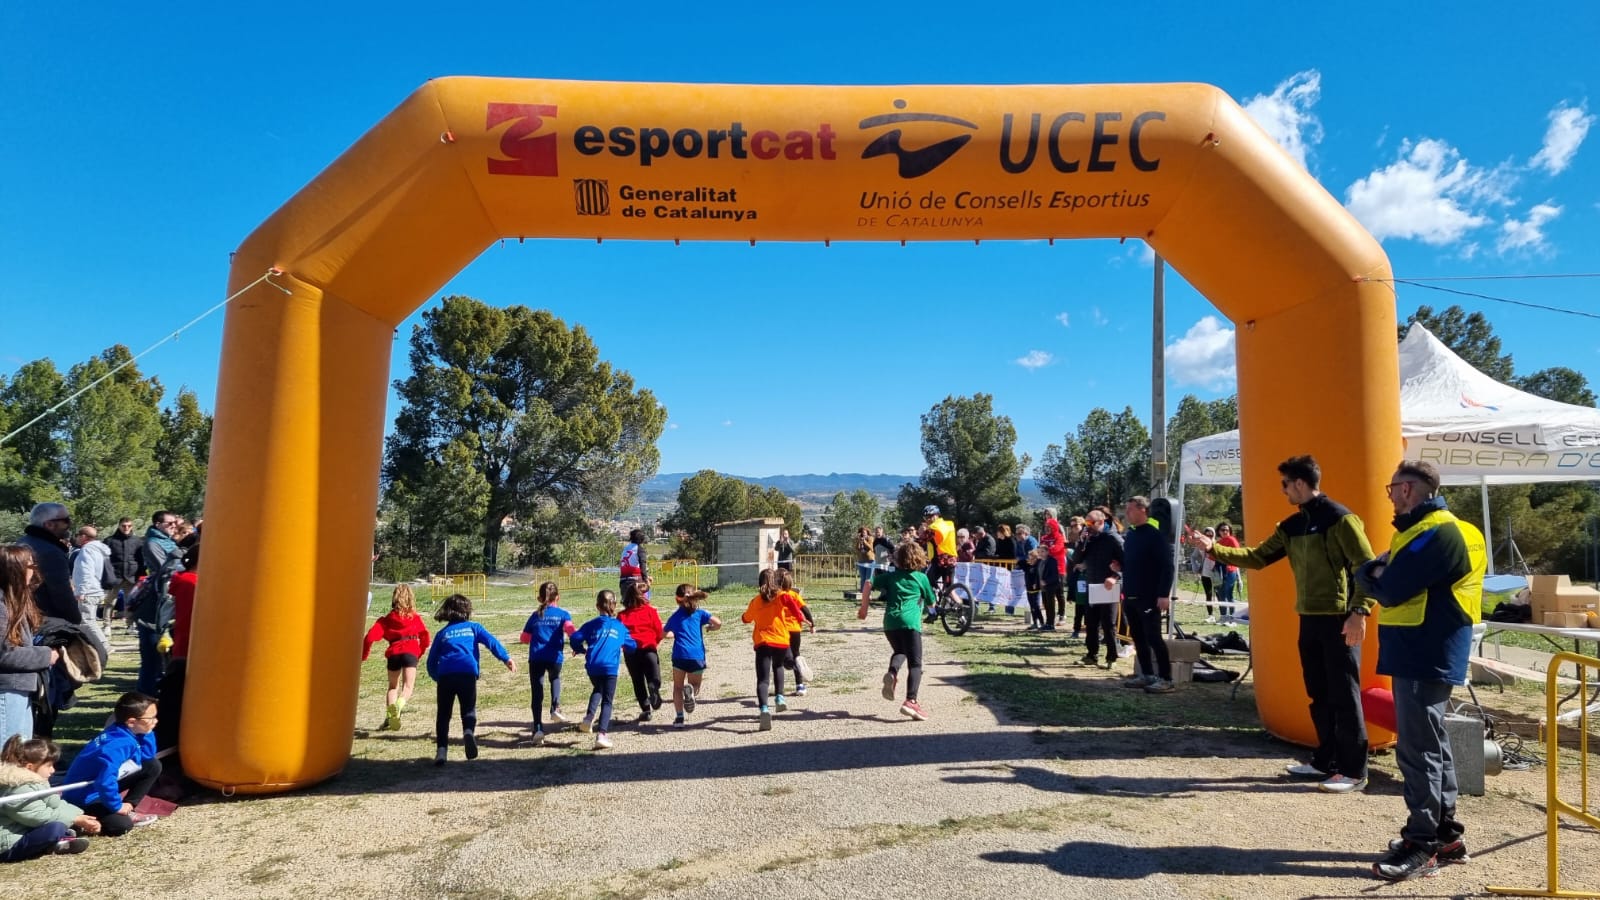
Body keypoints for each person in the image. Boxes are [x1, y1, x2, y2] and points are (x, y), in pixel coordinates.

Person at [1192, 454, 1376, 794]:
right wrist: (1213, 549)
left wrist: (1359, 612)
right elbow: (1257, 557)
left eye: (1285, 485)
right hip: (1308, 618)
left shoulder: (1341, 519)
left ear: (1301, 484)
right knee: (1318, 693)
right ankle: (1326, 761)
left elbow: (1367, 568)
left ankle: (1354, 770)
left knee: (1344, 696)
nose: (1283, 491)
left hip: (1339, 619)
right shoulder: (1292, 526)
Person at [1355, 460, 1484, 881]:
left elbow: (1386, 587)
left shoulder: (1437, 532)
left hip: (1424, 647)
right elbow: (1384, 576)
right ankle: (1445, 834)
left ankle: (1422, 842)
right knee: (1433, 741)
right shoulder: (1432, 530)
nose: (1390, 496)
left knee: (1418, 748)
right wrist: (1376, 572)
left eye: (1392, 489)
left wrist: (1370, 573)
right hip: (1424, 646)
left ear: (1409, 490)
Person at [425, 594, 514, 765]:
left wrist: (438, 677)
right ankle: (468, 731)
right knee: (468, 710)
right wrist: (505, 658)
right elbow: (491, 642)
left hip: (445, 676)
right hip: (467, 673)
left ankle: (441, 751)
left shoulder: (442, 633)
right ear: (467, 611)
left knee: (443, 714)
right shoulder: (474, 627)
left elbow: (431, 662)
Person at [61, 692, 162, 835]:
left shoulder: (123, 731)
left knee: (152, 765)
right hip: (84, 796)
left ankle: (129, 806)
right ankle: (80, 819)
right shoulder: (118, 744)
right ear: (132, 722)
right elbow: (104, 781)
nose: (155, 721)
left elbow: (146, 756)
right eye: (151, 718)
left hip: (98, 785)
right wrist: (117, 807)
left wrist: (148, 731)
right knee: (121, 825)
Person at [858, 540, 934, 721]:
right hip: (910, 624)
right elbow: (931, 602)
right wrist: (930, 606)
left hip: (890, 623)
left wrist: (864, 609)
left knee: (900, 651)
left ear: (898, 559)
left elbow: (868, 583)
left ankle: (892, 673)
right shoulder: (921, 578)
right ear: (918, 558)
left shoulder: (891, 576)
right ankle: (911, 701)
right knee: (915, 664)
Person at [0, 735, 97, 861]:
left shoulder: (37, 781)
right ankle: (55, 842)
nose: (53, 770)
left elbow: (55, 803)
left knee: (62, 825)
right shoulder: (16, 788)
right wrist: (75, 819)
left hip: (26, 829)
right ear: (30, 767)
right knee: (55, 829)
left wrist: (80, 815)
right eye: (49, 765)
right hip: (9, 844)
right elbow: (39, 816)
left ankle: (59, 842)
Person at [1119, 497, 1177, 694]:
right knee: (1138, 637)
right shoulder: (1132, 535)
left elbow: (1167, 567)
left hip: (1150, 596)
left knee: (1154, 637)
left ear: (1143, 510)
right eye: (1126, 510)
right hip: (1131, 595)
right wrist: (1119, 567)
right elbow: (1132, 562)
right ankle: (1147, 674)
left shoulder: (1156, 535)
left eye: (1130, 509)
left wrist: (1163, 594)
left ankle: (1166, 678)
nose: (1127, 514)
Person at [0, 546, 57, 743]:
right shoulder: (2, 607)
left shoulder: (13, 602)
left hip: (18, 688)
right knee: (8, 757)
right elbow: (4, 654)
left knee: (18, 752)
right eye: (30, 565)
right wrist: (46, 655)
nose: (34, 570)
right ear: (14, 570)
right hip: (6, 691)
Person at [570, 590, 635, 750]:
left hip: (593, 665)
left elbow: (574, 638)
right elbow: (632, 646)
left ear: (597, 606)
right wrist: (625, 647)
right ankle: (602, 735)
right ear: (614, 606)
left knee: (598, 688)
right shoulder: (620, 627)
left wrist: (580, 649)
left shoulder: (590, 625)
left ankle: (588, 718)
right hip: (610, 667)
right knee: (607, 700)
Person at [362, 584, 431, 732]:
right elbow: (425, 637)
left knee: (393, 687)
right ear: (411, 598)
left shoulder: (386, 620)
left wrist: (364, 655)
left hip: (393, 652)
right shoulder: (415, 617)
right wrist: (420, 652)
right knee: (407, 687)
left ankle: (390, 716)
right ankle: (399, 706)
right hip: (410, 651)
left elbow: (369, 638)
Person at [742, 569, 804, 731]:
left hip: (763, 642)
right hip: (781, 641)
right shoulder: (781, 596)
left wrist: (745, 616)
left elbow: (746, 619)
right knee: (778, 667)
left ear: (759, 583)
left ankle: (764, 709)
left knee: (763, 679)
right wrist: (800, 617)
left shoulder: (755, 601)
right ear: (776, 582)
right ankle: (780, 698)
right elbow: (792, 603)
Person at [519, 582, 575, 745]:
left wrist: (535, 635)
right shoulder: (563, 614)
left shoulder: (535, 615)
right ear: (558, 597)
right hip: (554, 657)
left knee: (537, 693)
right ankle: (555, 707)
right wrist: (578, 641)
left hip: (536, 657)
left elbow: (524, 638)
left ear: (539, 598)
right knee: (555, 678)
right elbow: (571, 631)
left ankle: (537, 728)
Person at [662, 584, 722, 728]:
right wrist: (711, 628)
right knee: (695, 684)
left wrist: (673, 634)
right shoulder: (700, 614)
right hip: (696, 655)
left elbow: (665, 634)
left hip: (679, 655)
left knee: (677, 687)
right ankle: (692, 694)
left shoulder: (675, 617)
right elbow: (718, 623)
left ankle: (679, 718)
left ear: (677, 600)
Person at [1076, 509, 1125, 669]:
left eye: (1090, 523)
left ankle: (1112, 657)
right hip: (1093, 584)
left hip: (1109, 585)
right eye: (1085, 523)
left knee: (1108, 623)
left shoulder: (1113, 538)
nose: (1087, 526)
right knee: (1091, 622)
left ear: (1100, 522)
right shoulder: (1089, 538)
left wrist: (1115, 576)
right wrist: (1082, 541)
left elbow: (1127, 561)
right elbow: (1077, 559)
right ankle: (1092, 655)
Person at [16, 503, 77, 624]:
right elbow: (61, 593)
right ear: (49, 524)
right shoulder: (51, 552)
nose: (69, 524)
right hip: (45, 619)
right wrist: (74, 620)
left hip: (21, 616)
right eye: (66, 520)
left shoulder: (21, 542)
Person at [618, 581, 665, 722]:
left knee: (637, 681)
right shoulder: (651, 611)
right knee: (653, 676)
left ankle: (646, 709)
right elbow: (659, 631)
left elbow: (620, 635)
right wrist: (655, 643)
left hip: (631, 653)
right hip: (649, 649)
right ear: (643, 596)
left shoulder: (622, 616)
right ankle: (654, 687)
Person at [776, 568, 816, 696]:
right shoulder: (795, 596)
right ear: (790, 583)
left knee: (785, 660)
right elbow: (805, 610)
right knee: (796, 654)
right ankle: (800, 686)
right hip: (796, 630)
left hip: (783, 631)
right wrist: (812, 625)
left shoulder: (777, 596)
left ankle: (794, 665)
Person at [67, 525, 110, 636]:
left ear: (83, 536)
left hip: (88, 592)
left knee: (87, 622)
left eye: (77, 535)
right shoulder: (98, 550)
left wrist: (81, 591)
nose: (76, 538)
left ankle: (104, 646)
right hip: (96, 589)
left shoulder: (86, 551)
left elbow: (86, 573)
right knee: (88, 621)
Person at [103, 518, 144, 618]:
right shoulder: (109, 541)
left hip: (132, 576)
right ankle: (106, 625)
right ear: (119, 526)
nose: (126, 528)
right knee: (110, 602)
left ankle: (130, 624)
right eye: (124, 526)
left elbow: (140, 559)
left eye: (129, 526)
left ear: (132, 526)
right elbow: (104, 560)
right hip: (114, 576)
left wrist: (141, 575)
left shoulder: (137, 541)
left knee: (131, 602)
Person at [1037, 508, 1069, 631]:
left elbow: (1058, 548)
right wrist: (1042, 552)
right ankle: (1049, 622)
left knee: (1059, 594)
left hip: (1058, 569)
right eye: (1047, 527)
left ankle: (1061, 614)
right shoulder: (1044, 538)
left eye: (1050, 527)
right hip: (1045, 569)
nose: (1048, 529)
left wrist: (1045, 551)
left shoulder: (1059, 536)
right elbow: (1040, 550)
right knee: (1046, 597)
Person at [919, 506, 957, 594]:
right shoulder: (948, 524)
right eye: (926, 517)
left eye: (930, 516)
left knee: (926, 581)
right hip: (951, 559)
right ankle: (962, 606)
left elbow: (921, 541)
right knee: (949, 589)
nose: (927, 519)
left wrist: (921, 532)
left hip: (940, 560)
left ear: (936, 516)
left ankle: (935, 598)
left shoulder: (934, 528)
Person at [1213, 522, 1242, 621]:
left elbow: (1237, 553)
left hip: (1229, 570)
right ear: (1219, 532)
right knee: (1222, 594)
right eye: (1222, 530)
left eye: (1227, 530)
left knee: (1226, 594)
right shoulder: (1218, 542)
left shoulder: (1231, 539)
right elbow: (1212, 557)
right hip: (1219, 570)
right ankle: (1225, 617)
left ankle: (1230, 617)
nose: (1225, 532)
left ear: (1230, 531)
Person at [1014, 524, 1040, 624]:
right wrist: (1021, 559)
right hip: (1026, 569)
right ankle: (1035, 621)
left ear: (1026, 533)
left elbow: (1032, 554)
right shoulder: (1019, 542)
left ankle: (1039, 621)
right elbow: (1018, 555)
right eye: (1017, 534)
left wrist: (1022, 558)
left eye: (1020, 533)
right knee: (1030, 596)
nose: (1018, 536)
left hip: (1034, 569)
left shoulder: (1031, 541)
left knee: (1035, 597)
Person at [619, 528, 651, 602]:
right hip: (635, 582)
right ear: (642, 539)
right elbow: (643, 565)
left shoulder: (625, 549)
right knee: (642, 604)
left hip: (623, 582)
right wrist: (646, 579)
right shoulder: (640, 549)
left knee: (628, 607)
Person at [1196, 526, 1219, 622]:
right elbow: (1194, 556)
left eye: (1211, 534)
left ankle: (1225, 616)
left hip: (1216, 572)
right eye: (1207, 534)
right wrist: (1196, 568)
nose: (1209, 535)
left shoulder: (1217, 544)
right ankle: (1211, 615)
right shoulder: (1201, 545)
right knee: (1208, 594)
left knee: (1219, 594)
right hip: (1205, 572)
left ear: (1214, 534)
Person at [855, 527, 876, 600]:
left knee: (868, 578)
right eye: (861, 532)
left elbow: (870, 547)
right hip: (861, 561)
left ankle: (869, 593)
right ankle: (862, 593)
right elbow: (857, 548)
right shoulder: (859, 539)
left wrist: (864, 541)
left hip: (870, 560)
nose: (863, 534)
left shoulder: (870, 538)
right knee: (863, 578)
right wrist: (858, 541)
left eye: (864, 532)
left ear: (867, 532)